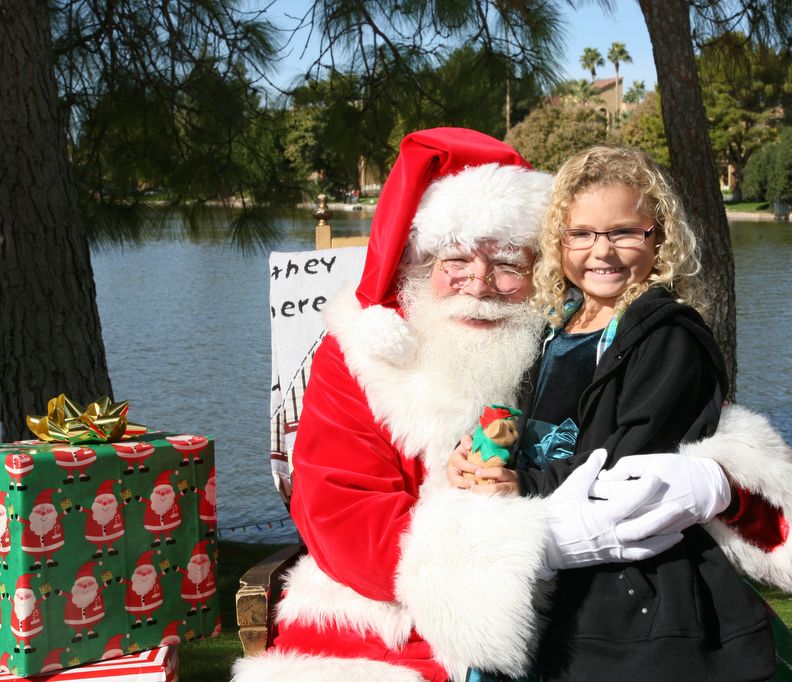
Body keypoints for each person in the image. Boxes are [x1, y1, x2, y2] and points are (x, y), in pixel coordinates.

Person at [232, 129, 694, 682]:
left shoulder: (570, 341)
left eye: (506, 263)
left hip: (575, 602)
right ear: (419, 265)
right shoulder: (361, 354)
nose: (478, 283)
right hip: (395, 610)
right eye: (455, 259)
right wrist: (496, 565)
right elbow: (340, 511)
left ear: (539, 271)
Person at [449, 145, 792, 680]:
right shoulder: (555, 324)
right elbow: (518, 419)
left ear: (660, 237)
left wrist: (524, 485)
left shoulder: (669, 337)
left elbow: (628, 459)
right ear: (560, 242)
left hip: (630, 576)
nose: (601, 251)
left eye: (624, 232)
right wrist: (475, 453)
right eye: (581, 233)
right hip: (543, 548)